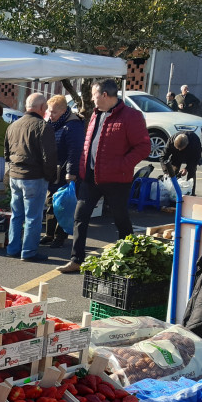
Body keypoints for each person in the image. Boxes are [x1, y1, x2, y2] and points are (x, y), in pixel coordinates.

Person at [57, 79, 150, 274]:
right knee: (79, 217)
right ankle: (76, 259)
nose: (92, 98)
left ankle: (128, 260)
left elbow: (143, 147)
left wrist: (121, 165)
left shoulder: (131, 116)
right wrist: (81, 169)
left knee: (121, 220)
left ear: (105, 95)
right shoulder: (95, 114)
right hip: (90, 178)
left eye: (94, 94)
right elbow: (88, 144)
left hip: (117, 180)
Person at [3, 93, 57, 262]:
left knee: (17, 214)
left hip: (15, 175)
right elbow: (49, 157)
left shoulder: (13, 125)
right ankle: (28, 252)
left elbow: (6, 153)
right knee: (33, 217)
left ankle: (13, 248)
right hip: (34, 177)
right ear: (41, 108)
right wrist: (50, 177)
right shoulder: (43, 126)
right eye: (46, 108)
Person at [42, 95, 84, 247]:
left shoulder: (73, 125)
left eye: (53, 112)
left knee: (63, 205)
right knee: (51, 202)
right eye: (49, 112)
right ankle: (49, 234)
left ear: (63, 110)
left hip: (65, 172)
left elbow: (75, 151)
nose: (50, 115)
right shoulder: (53, 123)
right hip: (53, 170)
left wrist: (71, 173)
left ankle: (60, 237)